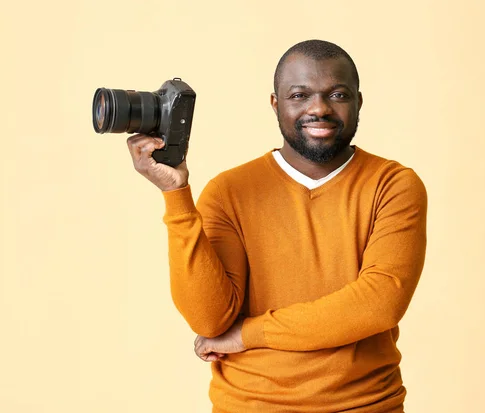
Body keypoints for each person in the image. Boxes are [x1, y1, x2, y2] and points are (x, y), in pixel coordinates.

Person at [127, 39, 428, 413]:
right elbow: (209, 318)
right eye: (299, 95)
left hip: (364, 405)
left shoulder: (393, 184)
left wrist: (249, 335)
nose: (319, 108)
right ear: (276, 104)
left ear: (358, 102)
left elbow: (378, 304)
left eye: (337, 94)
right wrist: (176, 195)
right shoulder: (229, 191)